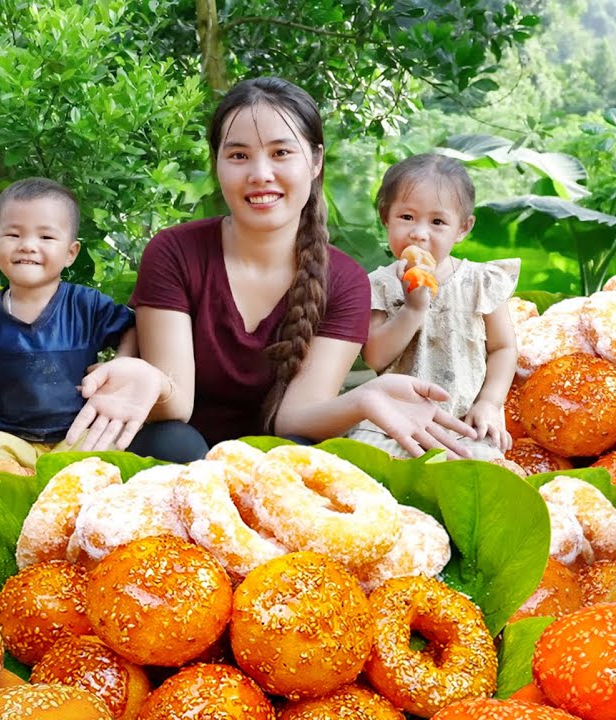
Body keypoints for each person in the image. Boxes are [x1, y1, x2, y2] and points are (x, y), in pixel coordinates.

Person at [64, 77, 478, 462]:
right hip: (175, 461)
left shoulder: (345, 280)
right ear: (218, 163)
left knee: (292, 453)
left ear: (315, 161)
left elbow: (293, 420)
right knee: (176, 439)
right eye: (239, 155)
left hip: (273, 475)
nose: (260, 175)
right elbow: (179, 402)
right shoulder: (175, 252)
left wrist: (365, 398)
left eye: (281, 153)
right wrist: (147, 377)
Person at [0, 178, 136, 464]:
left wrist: (119, 366)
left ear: (71, 253)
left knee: (108, 453)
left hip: (77, 433)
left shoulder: (86, 305)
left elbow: (132, 329)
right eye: (13, 235)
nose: (27, 246)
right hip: (8, 437)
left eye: (46, 237)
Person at [347, 154, 519, 460]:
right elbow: (375, 356)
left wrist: (490, 404)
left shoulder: (481, 281)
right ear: (386, 217)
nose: (419, 233)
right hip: (393, 421)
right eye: (407, 217)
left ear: (463, 228)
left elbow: (503, 348)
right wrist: (413, 308)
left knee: (481, 468)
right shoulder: (381, 284)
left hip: (463, 422)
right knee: (362, 458)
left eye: (437, 222)